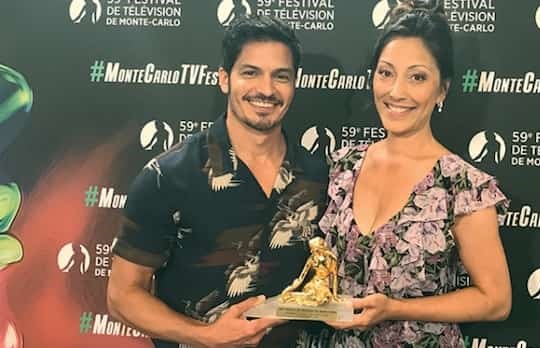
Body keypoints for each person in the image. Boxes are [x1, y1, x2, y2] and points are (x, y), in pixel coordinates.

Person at [107, 15, 329, 348]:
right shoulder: (169, 176)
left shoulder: (322, 174)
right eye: (250, 72)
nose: (266, 90)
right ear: (224, 79)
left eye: (280, 76)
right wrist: (206, 336)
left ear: (294, 84)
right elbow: (122, 295)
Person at [298, 1, 511, 346]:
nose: (396, 92)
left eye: (417, 77)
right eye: (385, 73)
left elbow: (496, 301)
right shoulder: (342, 165)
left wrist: (394, 308)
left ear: (441, 89)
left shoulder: (462, 185)